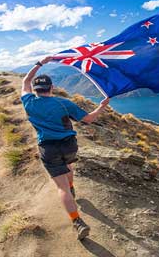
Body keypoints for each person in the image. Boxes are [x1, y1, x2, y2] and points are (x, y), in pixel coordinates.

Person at [21, 56, 110, 240]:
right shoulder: (64, 103)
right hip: (69, 145)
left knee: (61, 188)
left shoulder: (28, 101)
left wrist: (40, 63)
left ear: (35, 90)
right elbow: (89, 119)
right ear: (51, 88)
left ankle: (77, 221)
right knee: (68, 165)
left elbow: (26, 81)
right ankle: (72, 188)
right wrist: (101, 107)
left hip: (48, 148)